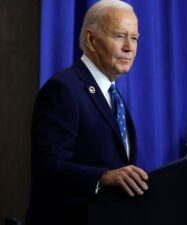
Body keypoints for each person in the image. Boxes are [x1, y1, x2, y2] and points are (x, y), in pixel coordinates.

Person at [26, 1, 148, 225]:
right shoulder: (64, 89)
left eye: (135, 37)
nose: (130, 47)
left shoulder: (114, 96)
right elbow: (47, 167)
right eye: (120, 36)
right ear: (91, 40)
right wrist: (103, 177)